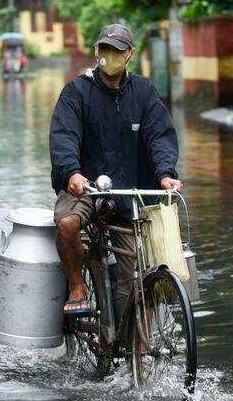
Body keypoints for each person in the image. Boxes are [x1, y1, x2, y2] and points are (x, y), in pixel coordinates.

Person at [49, 23, 183, 315]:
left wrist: (165, 174)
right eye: (105, 49)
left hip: (128, 191)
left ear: (130, 54)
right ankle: (77, 285)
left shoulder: (144, 92)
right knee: (67, 224)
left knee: (141, 270)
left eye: (117, 50)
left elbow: (159, 137)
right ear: (97, 51)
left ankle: (140, 353)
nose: (110, 55)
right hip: (85, 187)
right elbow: (64, 137)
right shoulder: (76, 92)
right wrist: (72, 173)